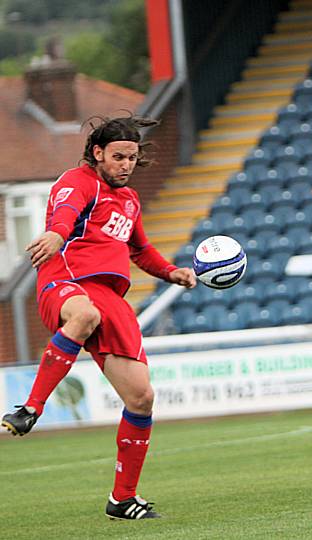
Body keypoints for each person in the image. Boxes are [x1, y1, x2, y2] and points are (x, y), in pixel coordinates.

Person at [1, 115, 197, 519]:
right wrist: (57, 233)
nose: (126, 164)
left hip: (111, 296)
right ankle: (31, 409)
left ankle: (122, 499)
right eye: (119, 156)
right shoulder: (79, 181)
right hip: (67, 278)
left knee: (141, 398)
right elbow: (66, 212)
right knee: (84, 315)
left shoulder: (129, 200)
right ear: (97, 153)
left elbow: (140, 250)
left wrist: (171, 272)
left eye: (132, 157)